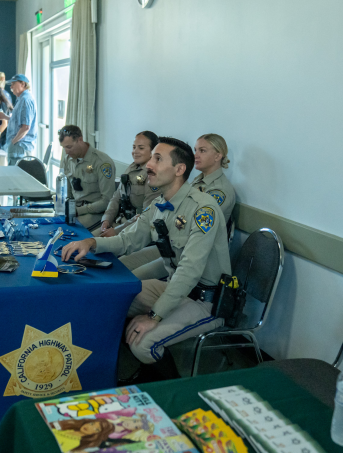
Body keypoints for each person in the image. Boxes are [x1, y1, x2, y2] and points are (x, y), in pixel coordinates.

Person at [61, 138, 231, 383]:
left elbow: (189, 271)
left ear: (179, 170)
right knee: (113, 301)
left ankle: (171, 388)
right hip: (176, 288)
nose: (149, 165)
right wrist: (92, 243)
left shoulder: (203, 208)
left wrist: (154, 316)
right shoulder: (160, 205)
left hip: (205, 299)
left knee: (144, 344)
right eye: (151, 158)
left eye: (158, 159)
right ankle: (131, 372)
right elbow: (127, 240)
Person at [120, 133, 236, 282]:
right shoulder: (196, 182)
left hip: (189, 253)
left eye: (202, 150)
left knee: (135, 278)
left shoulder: (220, 191)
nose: (196, 155)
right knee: (123, 263)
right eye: (195, 150)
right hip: (171, 245)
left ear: (218, 156)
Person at [99, 131, 161, 237]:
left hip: (135, 229)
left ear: (152, 151)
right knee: (89, 238)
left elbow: (146, 215)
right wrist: (106, 220)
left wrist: (117, 231)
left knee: (96, 246)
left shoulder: (153, 175)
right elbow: (116, 198)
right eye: (134, 147)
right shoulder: (131, 169)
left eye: (141, 148)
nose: (135, 152)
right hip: (120, 221)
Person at [59, 125, 116, 232]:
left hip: (95, 213)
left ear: (80, 140)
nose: (66, 152)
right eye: (64, 147)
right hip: (75, 210)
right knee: (55, 226)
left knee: (69, 232)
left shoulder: (102, 162)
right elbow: (69, 193)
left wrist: (78, 211)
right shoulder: (68, 160)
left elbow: (107, 201)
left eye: (69, 147)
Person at [0, 74, 37, 166]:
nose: (11, 87)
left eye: (13, 84)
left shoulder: (25, 100)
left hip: (20, 147)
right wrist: (5, 117)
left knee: (16, 177)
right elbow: (19, 121)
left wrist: (13, 142)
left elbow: (26, 127)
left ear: (23, 84)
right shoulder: (21, 99)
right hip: (18, 147)